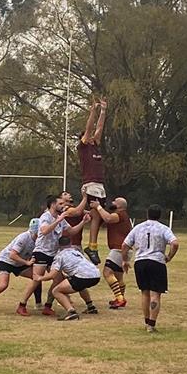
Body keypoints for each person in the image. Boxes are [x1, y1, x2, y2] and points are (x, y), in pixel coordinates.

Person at [121, 204, 180, 333]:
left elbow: (125, 245)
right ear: (159, 216)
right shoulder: (163, 228)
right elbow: (175, 243)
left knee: (144, 292)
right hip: (156, 262)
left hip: (140, 262)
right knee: (155, 294)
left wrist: (125, 260)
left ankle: (147, 320)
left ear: (147, 214)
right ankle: (151, 325)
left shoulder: (138, 228)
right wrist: (169, 256)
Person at [18, 194, 68, 316]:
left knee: (58, 279)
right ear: (52, 205)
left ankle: (48, 306)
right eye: (60, 204)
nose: (64, 205)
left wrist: (84, 222)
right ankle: (21, 305)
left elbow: (71, 231)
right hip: (41, 252)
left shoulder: (60, 218)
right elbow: (44, 231)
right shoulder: (46, 217)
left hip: (53, 254)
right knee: (36, 279)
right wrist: (59, 220)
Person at [77, 99, 108, 263]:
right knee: (96, 215)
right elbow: (90, 129)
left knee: (99, 217)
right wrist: (92, 112)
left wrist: (103, 111)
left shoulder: (95, 146)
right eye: (87, 136)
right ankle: (92, 247)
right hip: (91, 184)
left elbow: (99, 128)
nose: (90, 137)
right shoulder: (83, 148)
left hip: (100, 185)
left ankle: (92, 245)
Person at [0, 228, 37, 313]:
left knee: (36, 277)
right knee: (3, 285)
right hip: (5, 261)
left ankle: (38, 304)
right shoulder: (24, 237)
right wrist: (26, 263)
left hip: (19, 263)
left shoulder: (39, 240)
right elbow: (12, 255)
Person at [95, 197, 133, 309]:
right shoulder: (121, 215)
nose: (112, 203)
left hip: (119, 249)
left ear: (120, 206)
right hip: (124, 249)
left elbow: (107, 218)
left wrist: (98, 206)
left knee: (107, 272)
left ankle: (120, 299)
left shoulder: (119, 215)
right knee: (118, 276)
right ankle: (120, 298)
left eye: (114, 201)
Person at [47, 245, 102, 320]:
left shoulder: (59, 256)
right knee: (80, 286)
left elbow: (52, 275)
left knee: (56, 291)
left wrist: (39, 277)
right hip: (96, 275)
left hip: (82, 276)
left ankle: (71, 312)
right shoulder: (76, 251)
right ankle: (91, 307)